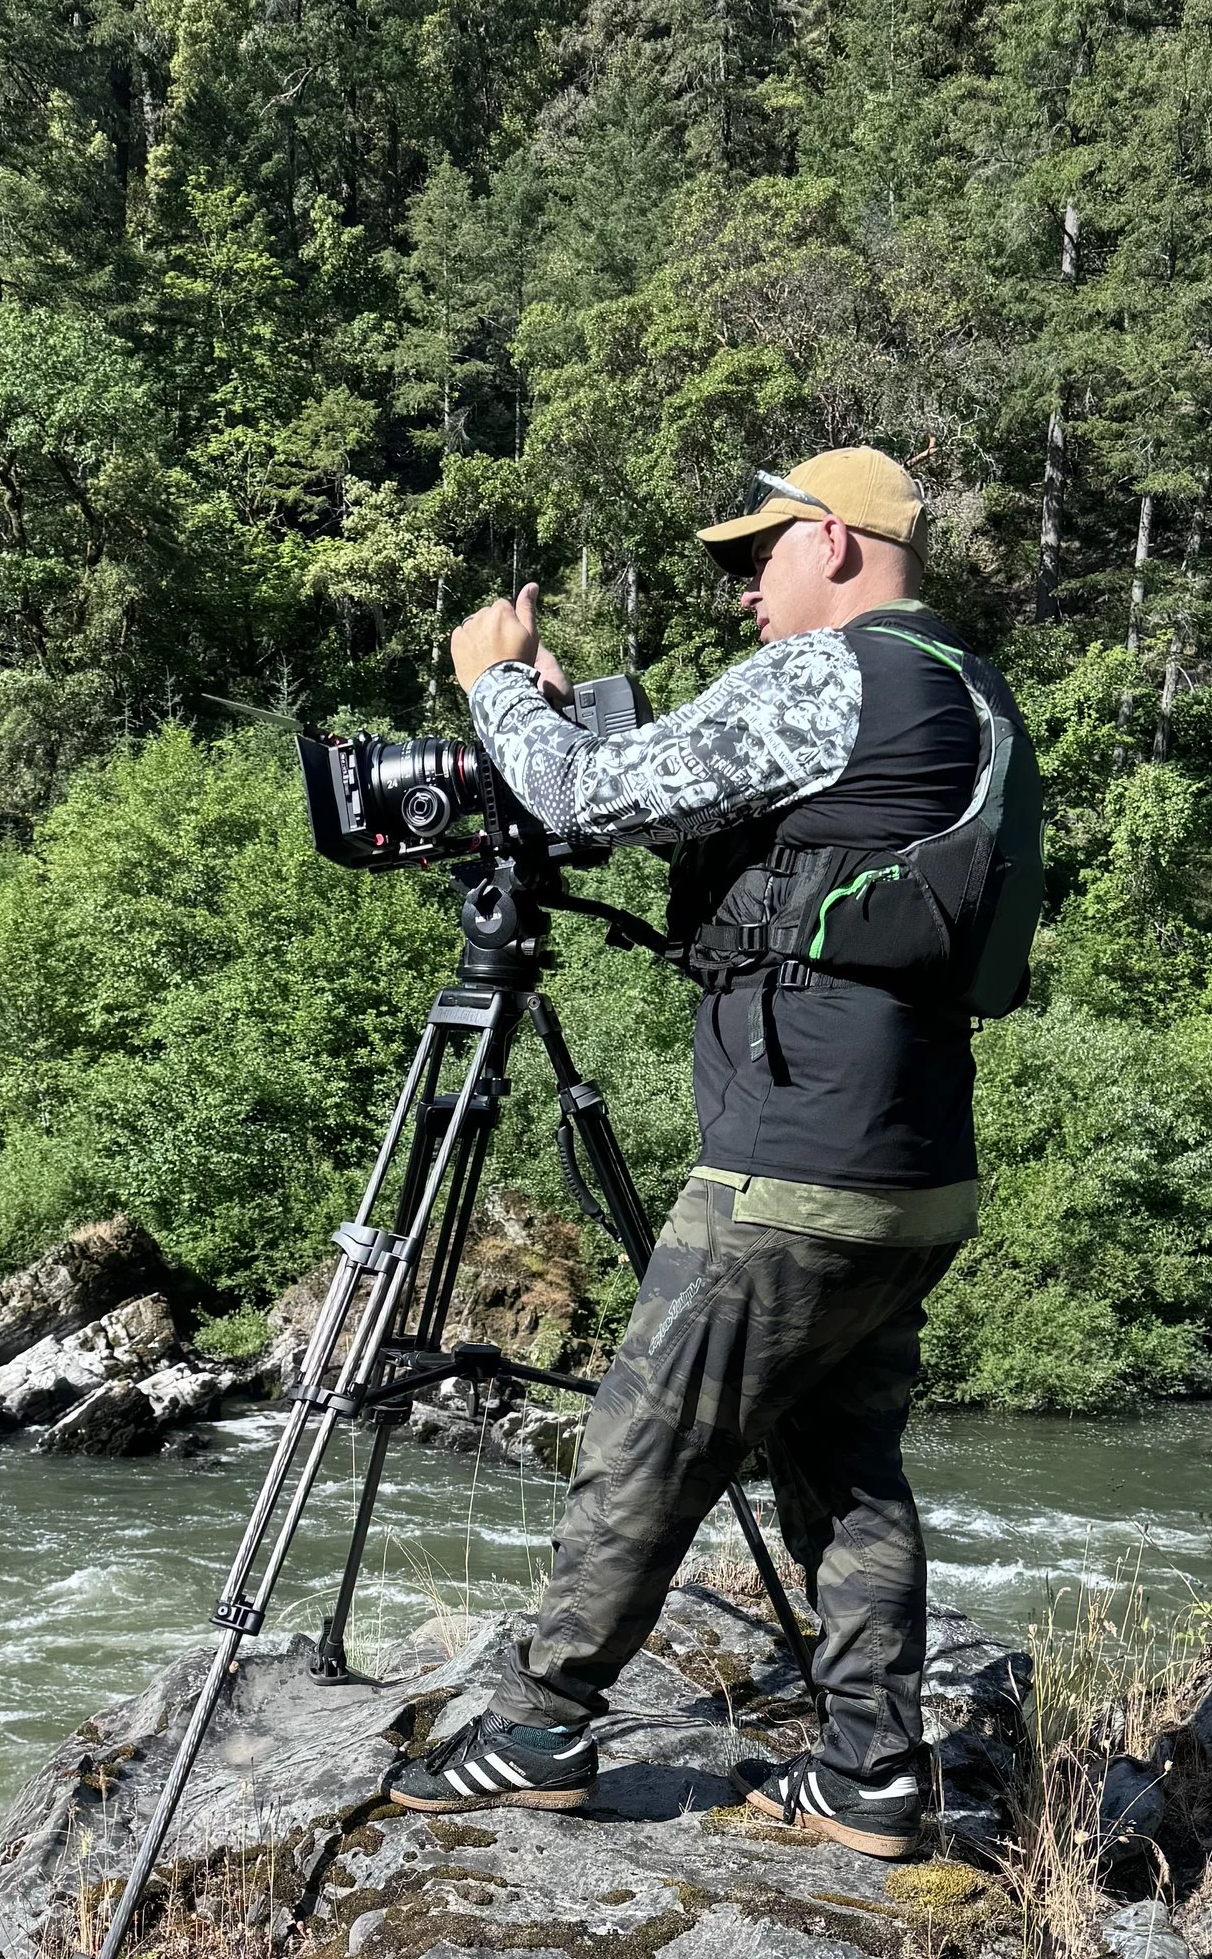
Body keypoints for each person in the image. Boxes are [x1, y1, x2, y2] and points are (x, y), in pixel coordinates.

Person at [385, 447, 994, 1863]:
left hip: (797, 1159)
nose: (742, 598)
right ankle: (871, 1771)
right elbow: (696, 809)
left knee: (645, 1437)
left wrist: (491, 685)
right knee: (848, 1472)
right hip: (914, 1166)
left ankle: (536, 1730)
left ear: (832, 543)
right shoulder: (960, 687)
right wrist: (568, 730)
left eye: (755, 560)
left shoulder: (837, 673)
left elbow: (590, 803)